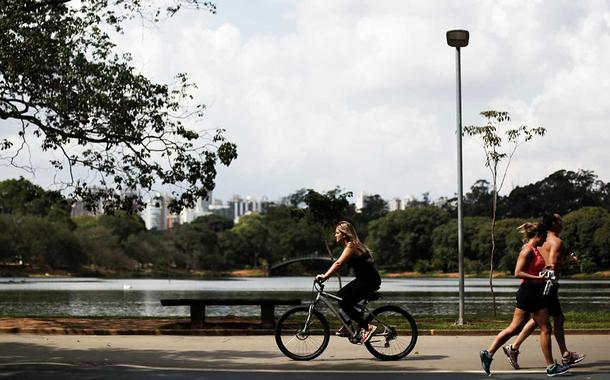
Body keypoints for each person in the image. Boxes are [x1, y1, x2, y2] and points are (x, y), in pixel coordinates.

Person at [479, 223, 570, 377]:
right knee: (546, 328)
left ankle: (488, 353)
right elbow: (518, 272)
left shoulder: (534, 250)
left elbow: (532, 269)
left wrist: (544, 272)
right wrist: (539, 277)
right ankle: (551, 366)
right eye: (544, 238)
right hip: (530, 292)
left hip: (530, 291)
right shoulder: (527, 250)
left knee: (514, 328)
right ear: (538, 235)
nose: (545, 242)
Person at [502, 214, 585, 369]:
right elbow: (552, 264)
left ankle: (514, 348)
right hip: (549, 284)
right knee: (553, 320)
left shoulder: (541, 241)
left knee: (539, 319)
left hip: (539, 284)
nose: (562, 222)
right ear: (554, 223)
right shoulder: (556, 241)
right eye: (560, 220)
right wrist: (570, 262)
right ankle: (561, 357)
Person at [316, 220, 381, 344]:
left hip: (369, 280)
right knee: (340, 296)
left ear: (344, 234)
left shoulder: (352, 245)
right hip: (363, 279)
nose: (335, 235)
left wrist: (324, 276)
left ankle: (368, 327)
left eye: (337, 233)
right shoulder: (351, 245)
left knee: (345, 303)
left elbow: (338, 263)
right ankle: (348, 328)